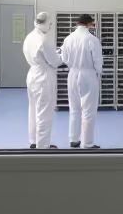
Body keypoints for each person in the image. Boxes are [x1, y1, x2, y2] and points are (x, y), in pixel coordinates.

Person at [60, 14, 103, 148]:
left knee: (74, 108)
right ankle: (88, 143)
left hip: (72, 73)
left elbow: (64, 58)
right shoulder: (92, 39)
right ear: (89, 24)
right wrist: (97, 71)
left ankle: (73, 140)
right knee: (88, 110)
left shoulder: (68, 39)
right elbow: (98, 61)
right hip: (88, 74)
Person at [22, 11, 63, 149]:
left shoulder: (29, 37)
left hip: (32, 75)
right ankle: (43, 146)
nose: (50, 27)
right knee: (44, 113)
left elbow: (40, 56)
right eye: (50, 24)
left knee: (33, 110)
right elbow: (55, 61)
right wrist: (64, 54)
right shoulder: (43, 39)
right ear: (45, 23)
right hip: (43, 78)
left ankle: (34, 141)